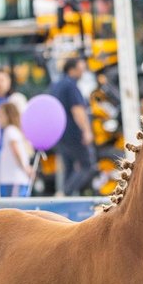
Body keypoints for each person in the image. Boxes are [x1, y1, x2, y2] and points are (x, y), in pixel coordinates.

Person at [47, 56, 96, 196]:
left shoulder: (56, 85)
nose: (83, 73)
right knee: (88, 165)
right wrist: (86, 131)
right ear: (72, 70)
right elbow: (78, 110)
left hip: (60, 134)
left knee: (68, 168)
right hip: (74, 133)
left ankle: (66, 197)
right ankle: (65, 193)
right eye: (81, 69)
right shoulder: (71, 86)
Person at [0, 101, 35, 197]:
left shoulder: (10, 131)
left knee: (14, 209)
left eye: (0, 115)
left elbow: (16, 151)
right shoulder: (14, 131)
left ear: (8, 116)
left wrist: (25, 168)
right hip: (12, 179)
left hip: (13, 179)